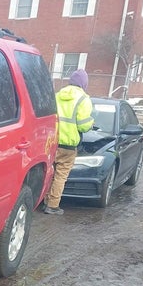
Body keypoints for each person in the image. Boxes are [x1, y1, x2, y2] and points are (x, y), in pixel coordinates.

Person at [44, 69, 94, 215]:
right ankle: (52, 205)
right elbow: (84, 125)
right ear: (84, 84)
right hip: (69, 145)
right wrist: (91, 123)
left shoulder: (57, 95)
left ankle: (45, 201)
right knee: (61, 175)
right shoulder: (84, 99)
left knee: (50, 173)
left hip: (52, 142)